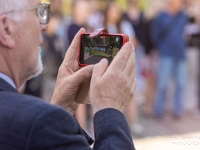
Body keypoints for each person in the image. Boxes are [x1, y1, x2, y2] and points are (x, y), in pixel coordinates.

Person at [0, 0, 136, 150]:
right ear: (6, 29)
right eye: (37, 12)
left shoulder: (34, 121)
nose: (44, 26)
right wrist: (111, 110)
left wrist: (59, 110)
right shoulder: (36, 123)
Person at [151, 0, 188, 118]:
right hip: (166, 54)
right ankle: (159, 109)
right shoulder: (161, 16)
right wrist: (161, 48)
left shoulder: (183, 16)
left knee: (180, 84)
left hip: (180, 54)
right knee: (163, 84)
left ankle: (177, 110)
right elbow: (154, 34)